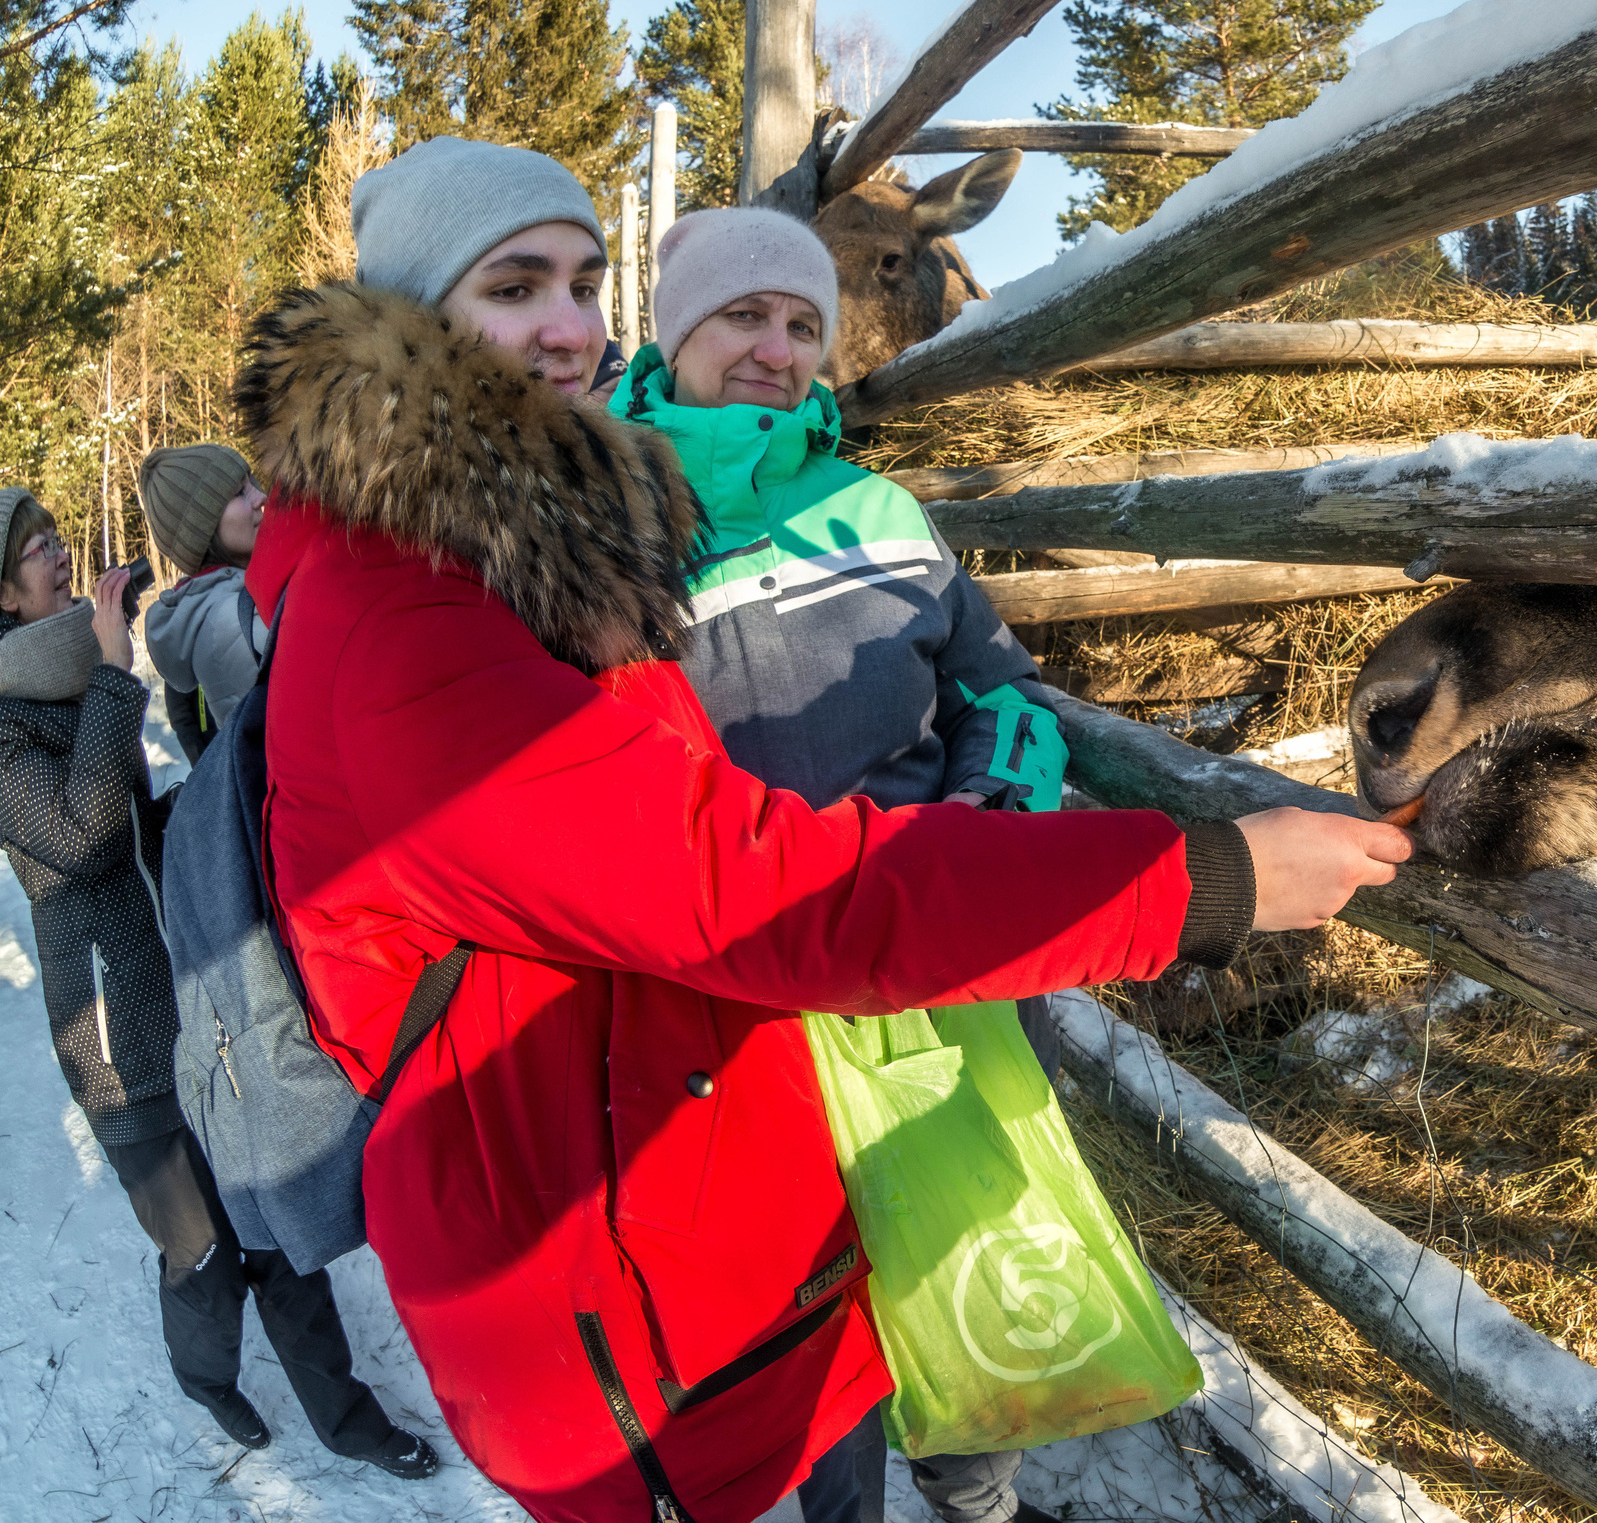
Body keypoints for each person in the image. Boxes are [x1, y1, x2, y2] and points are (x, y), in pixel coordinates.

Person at [240, 135, 1409, 1523]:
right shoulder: (426, 607)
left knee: (922, 1355)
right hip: (614, 1303)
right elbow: (737, 887)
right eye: (512, 287)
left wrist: (994, 804)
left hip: (736, 1151)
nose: (563, 327)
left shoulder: (569, 545)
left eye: (579, 281)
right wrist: (1203, 876)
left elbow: (996, 688)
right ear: (416, 318)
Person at [608, 205, 1077, 1523]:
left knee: (971, 1265)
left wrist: (975, 839)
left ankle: (975, 1498)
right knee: (808, 1330)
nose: (774, 348)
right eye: (742, 316)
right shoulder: (602, 537)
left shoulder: (878, 509)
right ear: (675, 330)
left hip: (939, 974)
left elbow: (1008, 693)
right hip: (739, 1008)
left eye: (802, 325)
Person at [0, 488, 433, 1476]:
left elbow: (139, 827)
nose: (59, 556)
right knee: (199, 1253)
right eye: (34, 551)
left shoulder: (73, 678)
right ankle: (206, 1377)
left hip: (204, 1008)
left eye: (54, 535)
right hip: (122, 1042)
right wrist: (116, 680)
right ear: (0, 593)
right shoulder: (21, 716)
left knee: (273, 1230)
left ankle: (351, 1423)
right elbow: (81, 832)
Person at [138, 442, 268, 762]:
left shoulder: (233, 603)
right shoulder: (229, 621)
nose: (260, 498)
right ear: (203, 529)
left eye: (252, 482)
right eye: (240, 492)